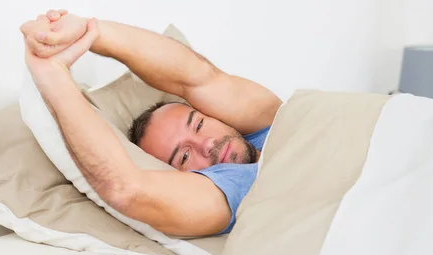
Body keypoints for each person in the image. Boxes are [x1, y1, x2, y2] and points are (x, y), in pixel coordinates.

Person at [20, 10, 282, 237]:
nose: (208, 144)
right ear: (182, 177)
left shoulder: (270, 122)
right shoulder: (229, 190)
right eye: (185, 156)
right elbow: (126, 189)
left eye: (199, 125)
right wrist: (52, 74)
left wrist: (88, 31)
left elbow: (196, 78)